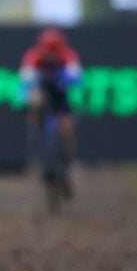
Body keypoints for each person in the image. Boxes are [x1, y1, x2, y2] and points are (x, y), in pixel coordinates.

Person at [19, 28, 82, 192]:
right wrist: (25, 102)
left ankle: (67, 159)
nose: (51, 54)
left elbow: (78, 79)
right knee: (35, 103)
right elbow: (24, 83)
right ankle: (36, 142)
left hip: (60, 95)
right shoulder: (33, 57)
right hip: (43, 93)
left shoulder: (68, 56)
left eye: (54, 49)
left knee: (67, 127)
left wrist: (63, 79)